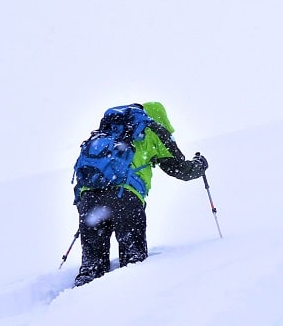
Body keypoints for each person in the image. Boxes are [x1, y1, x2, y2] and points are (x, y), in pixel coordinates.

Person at [73, 101, 209, 287]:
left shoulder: (105, 134)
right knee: (133, 266)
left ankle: (76, 306)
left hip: (89, 199)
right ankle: (132, 309)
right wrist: (199, 165)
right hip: (125, 200)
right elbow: (180, 169)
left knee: (91, 269)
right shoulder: (152, 131)